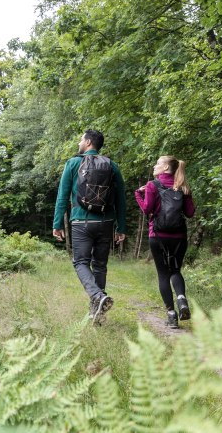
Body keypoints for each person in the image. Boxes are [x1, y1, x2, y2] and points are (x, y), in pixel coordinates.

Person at [53, 129, 127, 325]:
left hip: (81, 222)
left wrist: (57, 223)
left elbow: (62, 196)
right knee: (100, 265)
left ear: (87, 142)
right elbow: (121, 200)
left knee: (80, 262)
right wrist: (121, 227)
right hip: (106, 222)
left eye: (80, 139)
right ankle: (98, 313)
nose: (79, 142)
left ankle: (96, 296)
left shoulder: (73, 163)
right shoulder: (112, 166)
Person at [135, 155, 196, 328]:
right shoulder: (183, 187)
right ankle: (182, 300)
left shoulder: (152, 185)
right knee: (175, 270)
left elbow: (147, 209)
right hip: (179, 237)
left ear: (166, 168)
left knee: (163, 274)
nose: (155, 166)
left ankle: (171, 315)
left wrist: (138, 194)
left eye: (158, 163)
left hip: (158, 236)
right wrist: (187, 195)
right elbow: (190, 213)